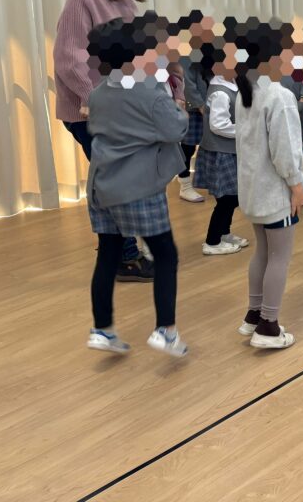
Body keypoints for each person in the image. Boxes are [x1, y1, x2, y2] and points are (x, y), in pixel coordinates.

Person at [83, 19, 189, 356]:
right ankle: (166, 331)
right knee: (166, 254)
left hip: (101, 186)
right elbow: (176, 129)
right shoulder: (148, 91)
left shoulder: (98, 93)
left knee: (108, 254)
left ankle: (102, 330)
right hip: (138, 187)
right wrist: (179, 106)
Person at [54, 0, 154, 281]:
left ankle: (117, 250)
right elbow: (69, 57)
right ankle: (123, 258)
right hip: (90, 111)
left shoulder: (125, 2)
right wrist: (90, 98)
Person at [234, 66, 303, 350]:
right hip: (275, 193)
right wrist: (297, 186)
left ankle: (254, 315)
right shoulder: (279, 95)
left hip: (253, 189)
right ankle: (268, 326)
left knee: (263, 252)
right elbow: (285, 150)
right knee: (279, 256)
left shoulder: (245, 92)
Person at [194, 65, 249, 255]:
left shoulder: (231, 85)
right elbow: (218, 125)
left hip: (228, 151)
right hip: (220, 153)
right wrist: (245, 130)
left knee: (231, 197)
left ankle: (224, 233)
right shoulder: (220, 93)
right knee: (227, 199)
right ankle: (212, 242)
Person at [176, 59, 207, 203]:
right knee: (188, 148)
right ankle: (185, 186)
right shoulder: (187, 55)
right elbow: (187, 83)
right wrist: (200, 105)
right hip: (194, 108)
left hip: (210, 104)